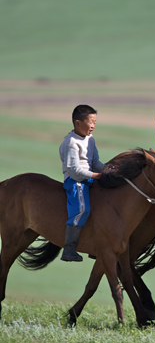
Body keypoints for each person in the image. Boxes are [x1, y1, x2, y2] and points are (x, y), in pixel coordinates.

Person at [59, 105, 111, 262]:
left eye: (95, 122)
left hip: (89, 178)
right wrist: (97, 176)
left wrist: (107, 169)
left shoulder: (90, 139)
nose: (93, 126)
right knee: (82, 209)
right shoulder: (70, 143)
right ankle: (69, 248)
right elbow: (74, 171)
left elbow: (95, 161)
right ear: (77, 123)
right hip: (75, 181)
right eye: (91, 122)